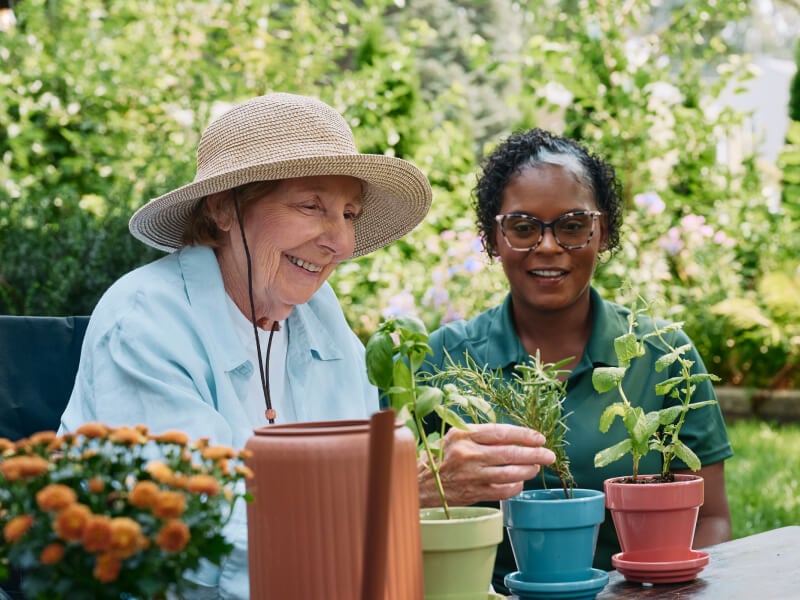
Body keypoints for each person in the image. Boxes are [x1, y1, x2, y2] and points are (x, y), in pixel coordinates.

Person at [59, 92, 556, 599]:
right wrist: (404, 492)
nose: (340, 243)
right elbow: (199, 538)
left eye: (349, 213)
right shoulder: (147, 321)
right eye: (311, 206)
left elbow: (356, 490)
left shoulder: (319, 317)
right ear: (223, 208)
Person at [424, 128, 733, 594]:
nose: (547, 246)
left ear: (601, 232)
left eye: (571, 224)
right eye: (524, 227)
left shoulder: (665, 355)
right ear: (493, 237)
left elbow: (711, 519)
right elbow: (398, 514)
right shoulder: (442, 359)